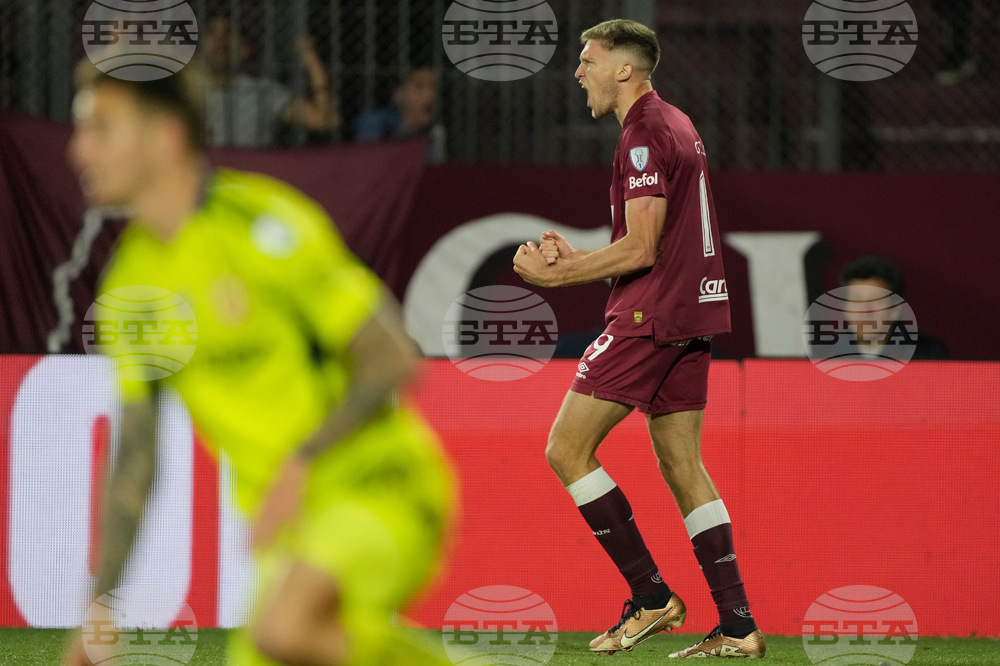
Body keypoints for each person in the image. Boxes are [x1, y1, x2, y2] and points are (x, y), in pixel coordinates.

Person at [63, 61, 452, 666]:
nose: (77, 150)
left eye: (101, 129)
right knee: (272, 645)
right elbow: (136, 456)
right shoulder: (132, 285)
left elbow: (392, 358)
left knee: (285, 630)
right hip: (289, 534)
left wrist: (302, 459)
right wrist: (100, 605)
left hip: (381, 491)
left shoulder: (263, 226)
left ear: (165, 136)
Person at [513, 19, 765, 659]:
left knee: (566, 450)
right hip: (692, 313)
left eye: (587, 59)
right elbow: (659, 242)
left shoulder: (645, 132)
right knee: (683, 466)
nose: (578, 71)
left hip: (648, 317)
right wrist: (587, 257)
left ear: (624, 69)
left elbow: (645, 246)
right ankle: (739, 628)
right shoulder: (677, 122)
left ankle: (652, 598)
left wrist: (558, 272)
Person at [202, 14, 339, 147]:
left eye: (228, 32)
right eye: (211, 32)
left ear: (244, 49)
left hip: (249, 169)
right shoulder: (186, 92)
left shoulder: (262, 92)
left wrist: (310, 58)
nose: (220, 40)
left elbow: (324, 120)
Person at [839, 255, 949, 359]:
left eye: (876, 300)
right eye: (856, 300)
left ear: (895, 309)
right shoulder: (825, 354)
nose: (865, 311)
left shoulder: (927, 353)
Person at [355, 67, 446, 163]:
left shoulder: (434, 132)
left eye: (434, 87)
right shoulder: (374, 123)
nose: (431, 95)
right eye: (419, 87)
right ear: (398, 95)